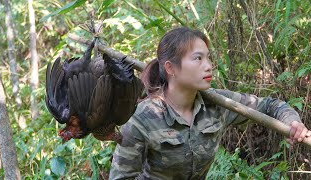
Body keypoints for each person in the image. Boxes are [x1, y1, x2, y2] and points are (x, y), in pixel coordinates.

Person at [109, 27, 311, 179]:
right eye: (198, 59)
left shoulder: (218, 104)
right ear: (170, 68)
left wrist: (293, 122)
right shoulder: (141, 118)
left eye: (208, 58)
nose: (209, 66)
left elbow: (270, 106)